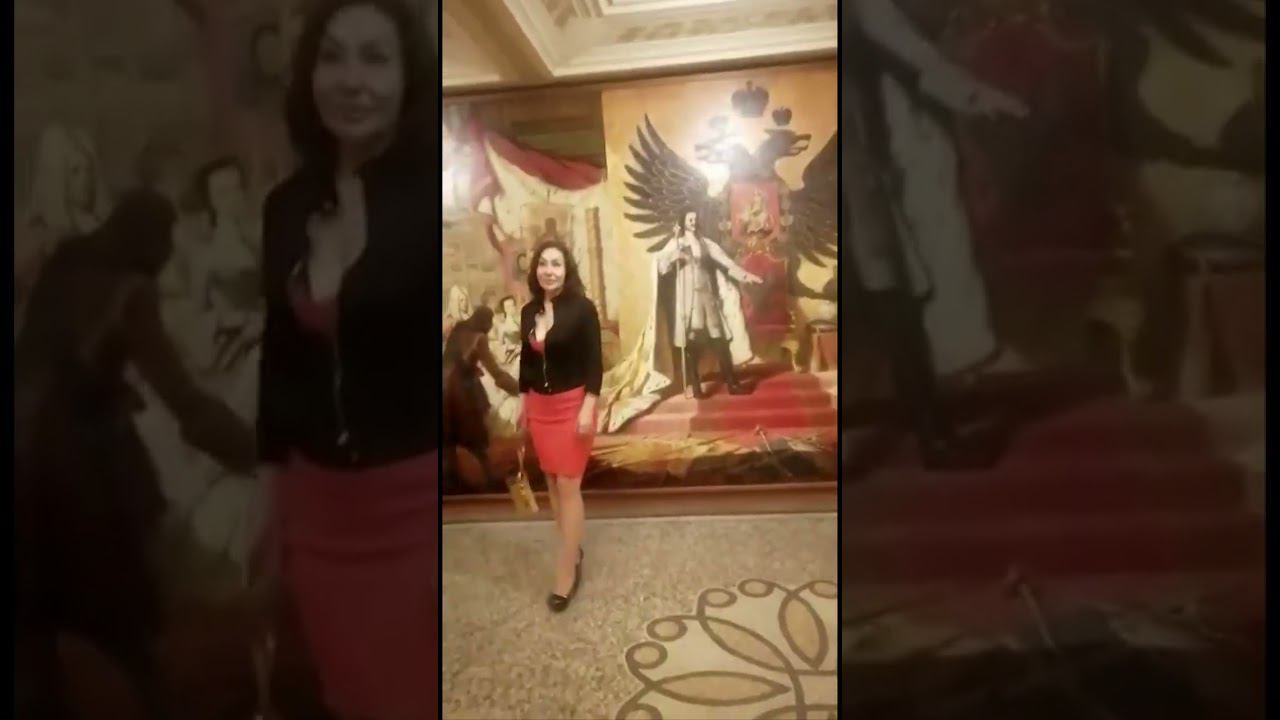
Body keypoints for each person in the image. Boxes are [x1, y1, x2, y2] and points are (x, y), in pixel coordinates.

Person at [253, 0, 438, 716]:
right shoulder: (285, 206)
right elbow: (281, 362)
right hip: (318, 516)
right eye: (332, 56)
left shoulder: (428, 199)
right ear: (309, 75)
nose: (352, 80)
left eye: (375, 57)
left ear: (407, 76)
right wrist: (269, 503)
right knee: (349, 697)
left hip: (414, 511)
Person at [14, 189, 256, 718]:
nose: (168, 256)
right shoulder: (131, 290)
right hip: (81, 470)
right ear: (149, 238)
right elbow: (187, 406)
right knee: (125, 625)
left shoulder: (67, 262)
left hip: (24, 459)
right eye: (165, 241)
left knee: (37, 630)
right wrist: (257, 454)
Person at [842, 0, 1027, 469]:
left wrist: (974, 95)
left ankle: (934, 436)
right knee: (858, 302)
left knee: (893, 299)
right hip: (826, 173)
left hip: (857, 171)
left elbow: (909, 51)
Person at [518, 239, 603, 612]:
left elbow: (595, 363)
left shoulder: (583, 309)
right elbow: (527, 362)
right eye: (543, 263)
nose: (549, 270)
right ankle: (573, 547)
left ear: (566, 270)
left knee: (569, 485)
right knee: (553, 482)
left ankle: (566, 572)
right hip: (540, 408)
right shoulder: (529, 311)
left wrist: (589, 407)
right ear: (535, 269)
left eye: (556, 263)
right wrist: (522, 402)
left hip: (573, 406)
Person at [653, 208, 764, 398]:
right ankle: (696, 387)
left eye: (695, 219)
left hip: (708, 298)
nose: (693, 222)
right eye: (690, 219)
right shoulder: (677, 243)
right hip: (690, 301)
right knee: (692, 343)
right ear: (683, 221)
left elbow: (727, 263)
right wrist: (673, 257)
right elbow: (661, 265)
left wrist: (747, 276)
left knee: (720, 340)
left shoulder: (706, 243)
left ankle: (733, 384)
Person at [444, 306, 519, 491]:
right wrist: (521, 390)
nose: (491, 325)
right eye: (490, 321)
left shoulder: (458, 330)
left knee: (452, 446)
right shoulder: (480, 337)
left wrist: (471, 368)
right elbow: (498, 375)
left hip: (445, 390)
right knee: (478, 445)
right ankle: (486, 486)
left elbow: (453, 360)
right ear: (484, 321)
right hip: (464, 394)